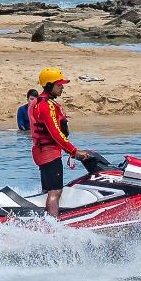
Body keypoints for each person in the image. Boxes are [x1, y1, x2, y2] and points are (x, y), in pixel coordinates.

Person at [30, 67, 89, 218]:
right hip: (49, 153)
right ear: (49, 85)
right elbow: (55, 133)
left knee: (47, 190)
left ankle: (43, 219)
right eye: (59, 84)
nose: (62, 87)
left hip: (41, 152)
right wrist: (74, 152)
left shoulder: (35, 103)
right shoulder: (46, 105)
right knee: (55, 191)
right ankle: (53, 226)